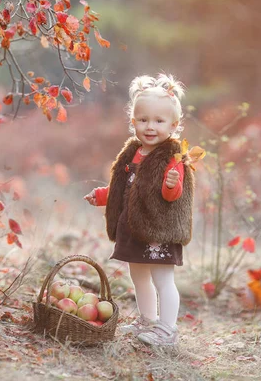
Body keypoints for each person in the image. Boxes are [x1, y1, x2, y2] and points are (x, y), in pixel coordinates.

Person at [84, 73, 194, 346]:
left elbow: (172, 196)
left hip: (159, 229)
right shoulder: (133, 152)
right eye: (143, 120)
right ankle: (148, 319)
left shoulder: (172, 158)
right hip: (134, 226)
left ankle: (168, 330)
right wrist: (102, 196)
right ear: (133, 122)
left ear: (174, 125)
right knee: (139, 275)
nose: (150, 126)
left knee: (162, 278)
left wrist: (172, 184)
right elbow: (125, 188)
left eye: (159, 121)